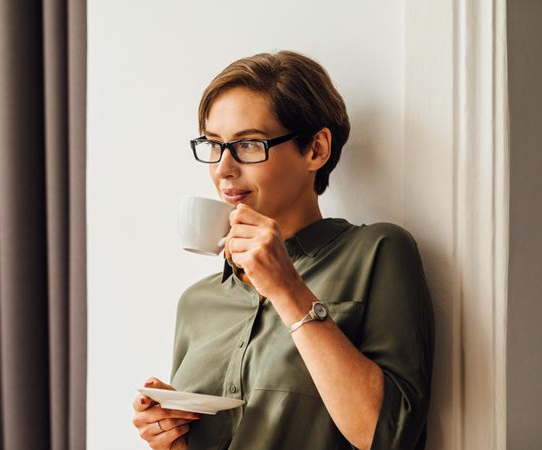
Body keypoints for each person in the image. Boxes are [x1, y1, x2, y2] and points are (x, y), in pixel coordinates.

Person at [132, 50, 434, 450]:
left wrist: (287, 289)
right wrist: (170, 439)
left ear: (316, 150)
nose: (223, 168)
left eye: (249, 145)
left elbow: (389, 437)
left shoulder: (378, 251)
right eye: (214, 144)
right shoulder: (197, 302)